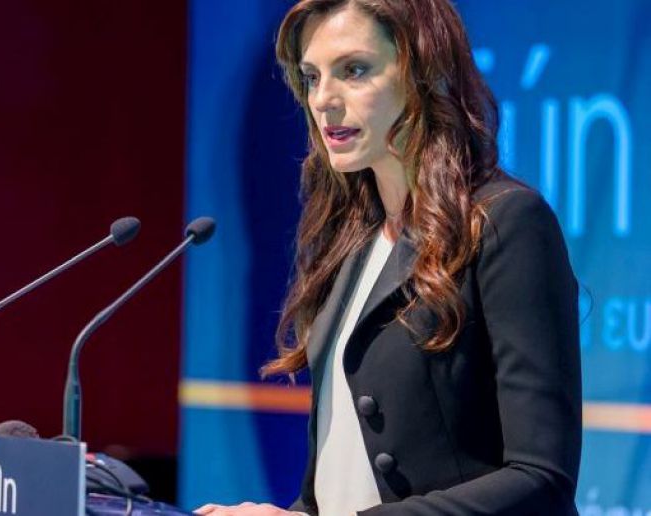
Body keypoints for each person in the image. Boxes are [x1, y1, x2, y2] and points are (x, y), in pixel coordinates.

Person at [194, 0, 581, 515]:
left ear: (423, 72)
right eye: (312, 77)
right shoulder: (348, 240)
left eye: (354, 70)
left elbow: (541, 479)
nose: (324, 99)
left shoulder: (505, 222)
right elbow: (339, 484)